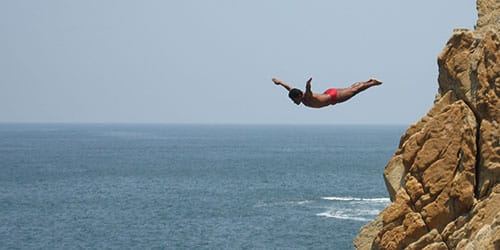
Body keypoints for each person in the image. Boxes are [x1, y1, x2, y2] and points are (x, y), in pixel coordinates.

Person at [272, 77, 382, 108]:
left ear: (299, 96)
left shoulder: (307, 97)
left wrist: (308, 84)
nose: (293, 102)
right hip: (328, 93)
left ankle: (372, 83)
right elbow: (289, 88)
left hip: (334, 97)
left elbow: (308, 91)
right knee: (351, 88)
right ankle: (369, 81)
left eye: (294, 100)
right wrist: (280, 82)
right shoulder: (298, 95)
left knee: (354, 90)